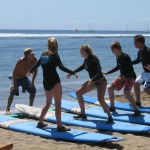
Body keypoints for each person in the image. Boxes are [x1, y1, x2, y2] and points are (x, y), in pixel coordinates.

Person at [30, 38, 77, 132]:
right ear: (56, 45)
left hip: (46, 81)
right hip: (55, 81)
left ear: (48, 45)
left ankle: (40, 122)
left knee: (47, 103)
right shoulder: (55, 55)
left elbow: (37, 65)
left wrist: (30, 71)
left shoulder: (43, 54)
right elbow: (61, 67)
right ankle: (59, 126)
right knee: (58, 104)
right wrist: (72, 72)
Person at [67, 44, 113, 124]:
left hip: (101, 81)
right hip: (92, 82)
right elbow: (82, 67)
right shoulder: (86, 59)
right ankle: (83, 114)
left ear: (85, 51)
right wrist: (72, 72)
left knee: (100, 99)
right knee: (78, 93)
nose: (80, 53)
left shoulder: (93, 59)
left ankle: (110, 117)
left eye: (81, 51)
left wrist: (91, 79)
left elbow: (99, 72)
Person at [103, 42, 141, 117]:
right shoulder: (118, 56)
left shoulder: (126, 57)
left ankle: (137, 110)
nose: (112, 52)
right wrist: (108, 72)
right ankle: (112, 107)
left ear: (115, 49)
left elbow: (130, 70)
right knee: (110, 89)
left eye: (112, 50)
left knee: (126, 93)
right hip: (123, 77)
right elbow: (118, 67)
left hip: (130, 77)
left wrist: (123, 76)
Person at [6, 48, 37, 115]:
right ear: (26, 55)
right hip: (15, 77)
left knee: (33, 90)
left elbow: (35, 71)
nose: (33, 55)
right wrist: (14, 84)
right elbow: (14, 73)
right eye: (31, 54)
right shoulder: (21, 61)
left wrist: (32, 82)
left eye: (33, 54)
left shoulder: (34, 60)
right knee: (12, 92)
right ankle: (7, 109)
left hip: (24, 77)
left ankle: (30, 108)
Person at [132, 35, 150, 106]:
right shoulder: (140, 51)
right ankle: (138, 102)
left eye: (135, 42)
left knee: (147, 90)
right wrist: (129, 63)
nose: (134, 44)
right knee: (136, 84)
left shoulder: (148, 51)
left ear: (139, 43)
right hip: (145, 73)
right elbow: (138, 60)